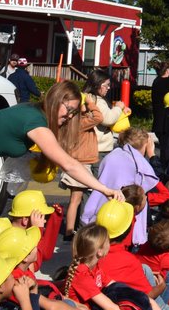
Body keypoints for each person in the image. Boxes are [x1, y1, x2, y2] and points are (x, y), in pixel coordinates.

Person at [0, 81, 126, 257]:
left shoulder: (39, 116)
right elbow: (69, 165)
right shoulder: (35, 121)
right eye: (68, 109)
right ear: (55, 100)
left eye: (73, 112)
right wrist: (104, 189)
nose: (70, 116)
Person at [81, 127, 162, 246]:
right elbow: (156, 180)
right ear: (145, 145)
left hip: (102, 211)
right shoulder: (137, 163)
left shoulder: (112, 156)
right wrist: (152, 155)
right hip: (124, 218)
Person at [61, 88, 105, 241]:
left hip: (78, 161)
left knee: (75, 199)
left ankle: (70, 229)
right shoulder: (80, 121)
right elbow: (99, 117)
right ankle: (70, 230)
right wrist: (91, 103)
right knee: (76, 199)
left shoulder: (74, 120)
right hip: (80, 164)